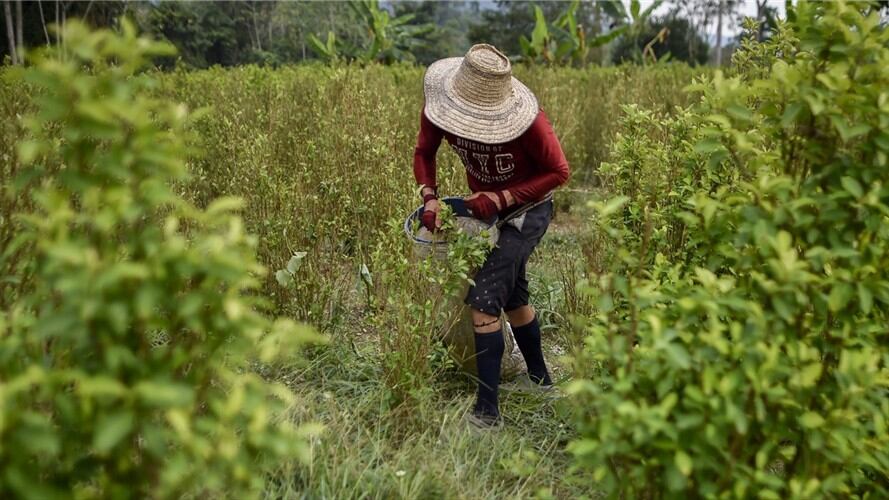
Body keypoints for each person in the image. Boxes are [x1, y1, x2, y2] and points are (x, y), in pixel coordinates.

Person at [412, 44, 570, 428]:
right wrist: (430, 197)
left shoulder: (531, 123)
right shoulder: (441, 107)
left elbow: (559, 172)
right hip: (488, 211)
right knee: (513, 296)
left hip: (528, 212)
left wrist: (501, 197)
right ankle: (541, 381)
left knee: (483, 301)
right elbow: (424, 152)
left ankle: (487, 413)